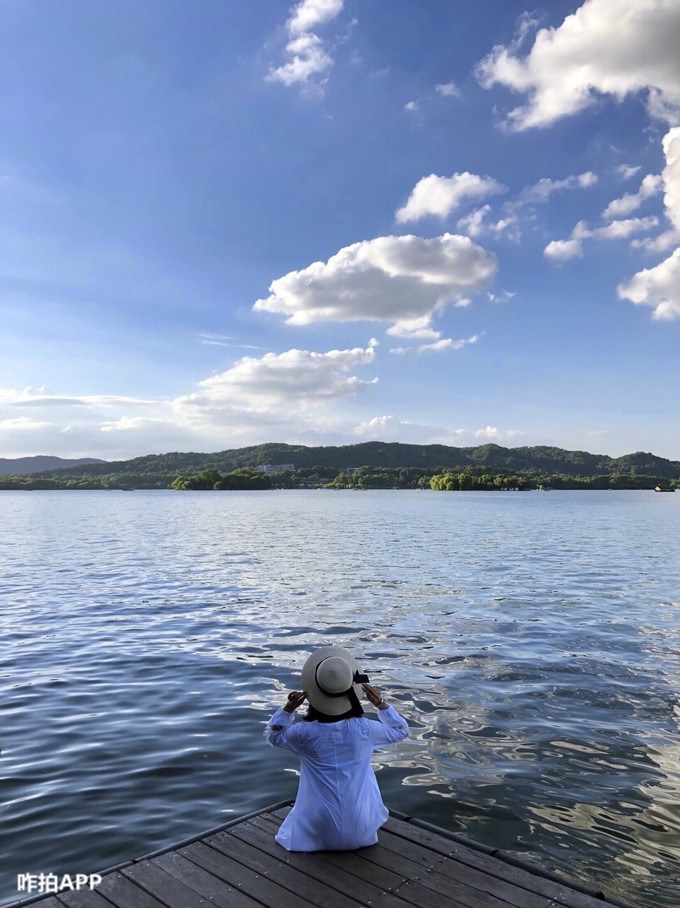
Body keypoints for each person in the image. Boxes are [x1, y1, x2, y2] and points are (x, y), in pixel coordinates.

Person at [265, 645, 409, 851]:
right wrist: (381, 703)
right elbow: (401, 730)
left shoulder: (304, 733)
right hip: (362, 831)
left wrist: (288, 709)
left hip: (317, 830)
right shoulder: (365, 729)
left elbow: (274, 735)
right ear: (352, 690)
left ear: (314, 692)